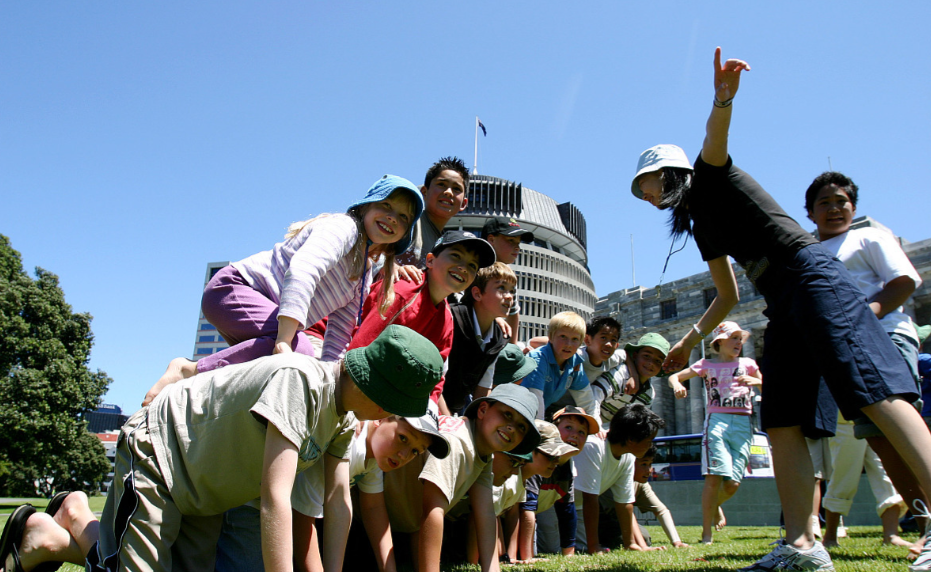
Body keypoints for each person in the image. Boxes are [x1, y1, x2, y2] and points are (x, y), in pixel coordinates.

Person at [631, 46, 931, 572]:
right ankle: (802, 546)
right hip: (780, 299)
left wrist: (722, 99)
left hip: (810, 276)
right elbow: (726, 295)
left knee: (875, 392)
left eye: (648, 183)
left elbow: (713, 139)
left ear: (671, 172)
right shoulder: (703, 222)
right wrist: (685, 342)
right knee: (785, 418)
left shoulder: (712, 173)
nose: (647, 196)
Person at [0, 325, 443, 572]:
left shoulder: (345, 419)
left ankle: (57, 530)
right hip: (161, 455)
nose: (390, 414)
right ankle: (75, 519)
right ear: (377, 390)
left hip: (208, 493)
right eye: (395, 407)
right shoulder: (302, 381)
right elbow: (275, 497)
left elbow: (338, 499)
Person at [144, 175, 424, 404]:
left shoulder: (362, 275)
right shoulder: (343, 228)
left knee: (292, 365)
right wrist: (284, 339)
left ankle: (201, 398)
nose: (392, 218)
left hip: (268, 319)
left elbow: (339, 332)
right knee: (300, 349)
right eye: (386, 206)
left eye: (402, 217)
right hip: (234, 289)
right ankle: (188, 369)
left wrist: (329, 384)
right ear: (366, 206)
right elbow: (304, 270)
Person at [806, 170, 930, 549]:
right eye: (823, 202)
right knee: (879, 441)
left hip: (885, 336)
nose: (833, 208)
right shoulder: (808, 254)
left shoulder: (868, 237)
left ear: (854, 206)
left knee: (902, 428)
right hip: (843, 354)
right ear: (809, 212)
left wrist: (865, 313)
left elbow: (905, 281)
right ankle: (925, 525)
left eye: (841, 200)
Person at [382, 383, 541, 572]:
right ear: (482, 410)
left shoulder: (483, 452)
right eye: (507, 414)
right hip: (376, 507)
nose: (512, 428)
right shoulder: (457, 441)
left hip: (400, 520)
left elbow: (486, 514)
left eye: (521, 426)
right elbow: (433, 510)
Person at [668, 321, 762, 544]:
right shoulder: (705, 364)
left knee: (733, 484)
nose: (739, 342)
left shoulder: (748, 363)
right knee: (713, 476)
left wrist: (756, 380)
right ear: (720, 342)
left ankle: (716, 504)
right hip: (716, 421)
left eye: (740, 338)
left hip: (742, 422)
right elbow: (674, 377)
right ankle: (706, 534)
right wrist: (677, 386)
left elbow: (766, 384)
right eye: (734, 338)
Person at [574, 404, 665, 554]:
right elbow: (590, 499)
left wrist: (632, 544)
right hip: (564, 510)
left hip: (581, 510)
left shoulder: (628, 457)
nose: (650, 445)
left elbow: (625, 503)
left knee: (642, 536)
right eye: (649, 440)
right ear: (630, 439)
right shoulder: (594, 448)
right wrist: (594, 546)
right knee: (558, 548)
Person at [518, 405, 598, 560]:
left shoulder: (567, 467)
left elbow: (567, 513)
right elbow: (525, 510)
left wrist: (569, 555)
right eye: (568, 427)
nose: (575, 435)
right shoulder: (538, 460)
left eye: (582, 432)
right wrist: (527, 557)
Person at [441, 261, 515, 415]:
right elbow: (432, 380)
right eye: (501, 288)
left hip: (455, 410)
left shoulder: (498, 338)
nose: (509, 297)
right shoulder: (451, 319)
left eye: (511, 291)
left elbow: (483, 388)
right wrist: (448, 423)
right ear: (477, 293)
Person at [395, 156, 471, 270]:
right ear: (424, 192)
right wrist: (393, 267)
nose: (448, 192)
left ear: (463, 204)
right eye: (441, 184)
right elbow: (375, 249)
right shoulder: (409, 219)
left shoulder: (446, 246)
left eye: (456, 189)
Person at [586, 324, 670, 425]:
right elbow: (594, 395)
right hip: (585, 418)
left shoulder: (649, 394)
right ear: (635, 355)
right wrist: (596, 427)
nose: (651, 363)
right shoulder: (621, 374)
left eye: (657, 361)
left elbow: (633, 421)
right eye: (646, 356)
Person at [521, 311, 598, 421]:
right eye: (563, 336)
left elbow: (586, 400)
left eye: (575, 339)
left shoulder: (574, 363)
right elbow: (535, 401)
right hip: (521, 413)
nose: (568, 344)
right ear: (551, 337)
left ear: (581, 342)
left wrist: (596, 429)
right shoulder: (537, 359)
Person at [481, 217, 534, 335]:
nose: (517, 247)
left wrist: (512, 347)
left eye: (518, 243)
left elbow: (513, 313)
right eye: (511, 240)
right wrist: (494, 318)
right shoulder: (474, 266)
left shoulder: (508, 273)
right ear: (491, 239)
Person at [632, 445, 689, 548]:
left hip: (621, 524)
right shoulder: (617, 481)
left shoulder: (641, 484)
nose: (649, 470)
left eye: (650, 464)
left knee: (644, 537)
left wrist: (676, 542)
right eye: (644, 464)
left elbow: (661, 511)